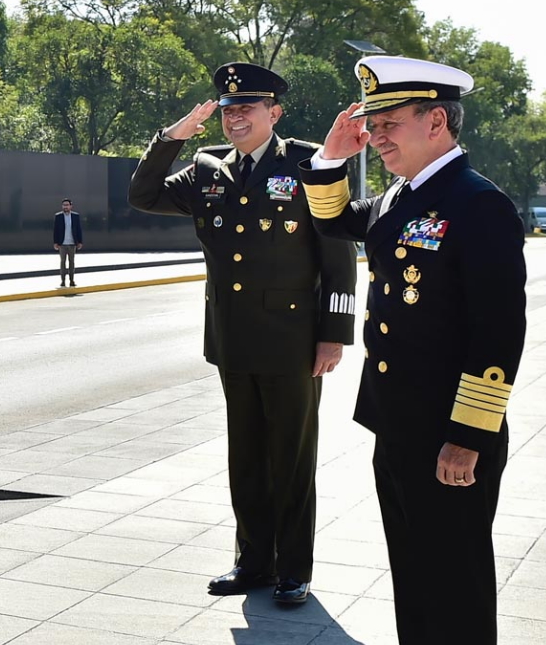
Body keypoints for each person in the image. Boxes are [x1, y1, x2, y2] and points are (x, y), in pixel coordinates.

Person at [298, 55, 525, 644]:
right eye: (372, 125)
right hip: (396, 423)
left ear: (436, 121)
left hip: (448, 434)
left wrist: (468, 437)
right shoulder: (403, 195)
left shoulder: (479, 203)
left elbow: (498, 334)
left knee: (456, 582)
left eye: (388, 123)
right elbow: (333, 220)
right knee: (415, 575)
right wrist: (331, 158)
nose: (374, 137)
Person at [128, 62, 358, 605]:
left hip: (294, 340)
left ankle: (293, 569)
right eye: (228, 110)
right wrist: (174, 137)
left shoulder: (308, 162)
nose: (235, 117)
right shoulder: (206, 169)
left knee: (292, 458)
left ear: (273, 113)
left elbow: (339, 256)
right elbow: (142, 194)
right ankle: (253, 561)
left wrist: (334, 335)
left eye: (246, 108)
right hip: (232, 337)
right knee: (246, 456)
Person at [53, 199, 83, 287]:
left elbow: (78, 229)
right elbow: (56, 230)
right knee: (62, 262)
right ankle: (63, 281)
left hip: (72, 243)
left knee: (71, 262)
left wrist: (80, 242)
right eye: (64, 205)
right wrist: (55, 242)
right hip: (62, 244)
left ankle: (72, 280)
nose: (65, 207)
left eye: (67, 205)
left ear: (71, 206)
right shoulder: (58, 216)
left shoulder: (75, 216)